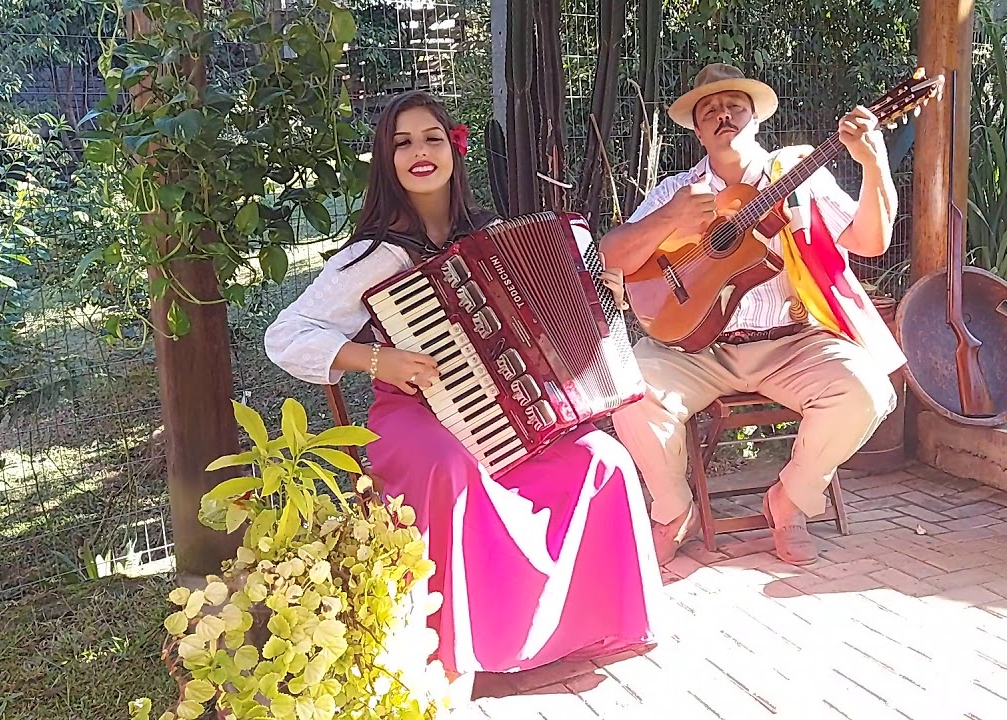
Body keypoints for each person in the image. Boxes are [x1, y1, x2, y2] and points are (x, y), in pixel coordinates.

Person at [264, 90, 662, 691]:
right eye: (402, 143)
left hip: (505, 410)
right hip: (413, 416)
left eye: (430, 138)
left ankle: (587, 627)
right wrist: (376, 358)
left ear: (454, 149)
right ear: (386, 160)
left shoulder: (493, 238)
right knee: (453, 465)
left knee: (601, 457)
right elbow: (286, 336)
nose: (418, 153)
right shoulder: (371, 256)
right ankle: (457, 647)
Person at [600, 63, 906, 567]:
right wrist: (671, 217)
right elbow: (612, 256)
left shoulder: (798, 176)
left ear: (755, 118)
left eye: (734, 106)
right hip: (696, 346)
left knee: (868, 391)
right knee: (629, 391)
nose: (723, 115)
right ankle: (674, 510)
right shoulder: (675, 191)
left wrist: (874, 165)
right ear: (696, 129)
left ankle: (792, 501)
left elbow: (871, 241)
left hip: (792, 341)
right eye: (710, 109)